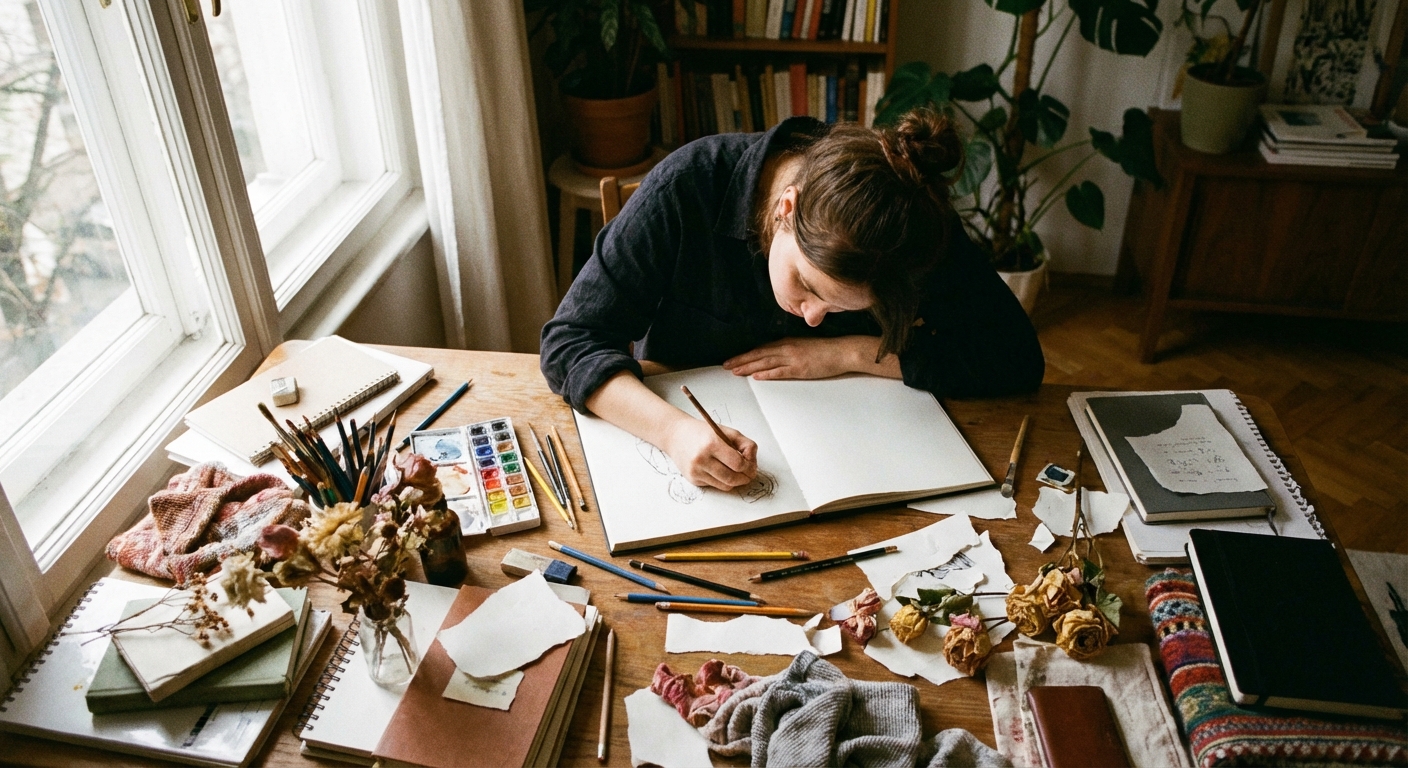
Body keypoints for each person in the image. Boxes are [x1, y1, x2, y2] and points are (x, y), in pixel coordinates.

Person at [541, 109, 1044, 493]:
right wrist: (673, 433)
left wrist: (847, 352)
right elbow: (570, 342)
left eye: (843, 309)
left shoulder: (913, 228)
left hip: (850, 462)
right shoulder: (690, 185)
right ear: (787, 208)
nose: (811, 316)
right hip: (691, 451)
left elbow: (1013, 358)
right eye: (807, 285)